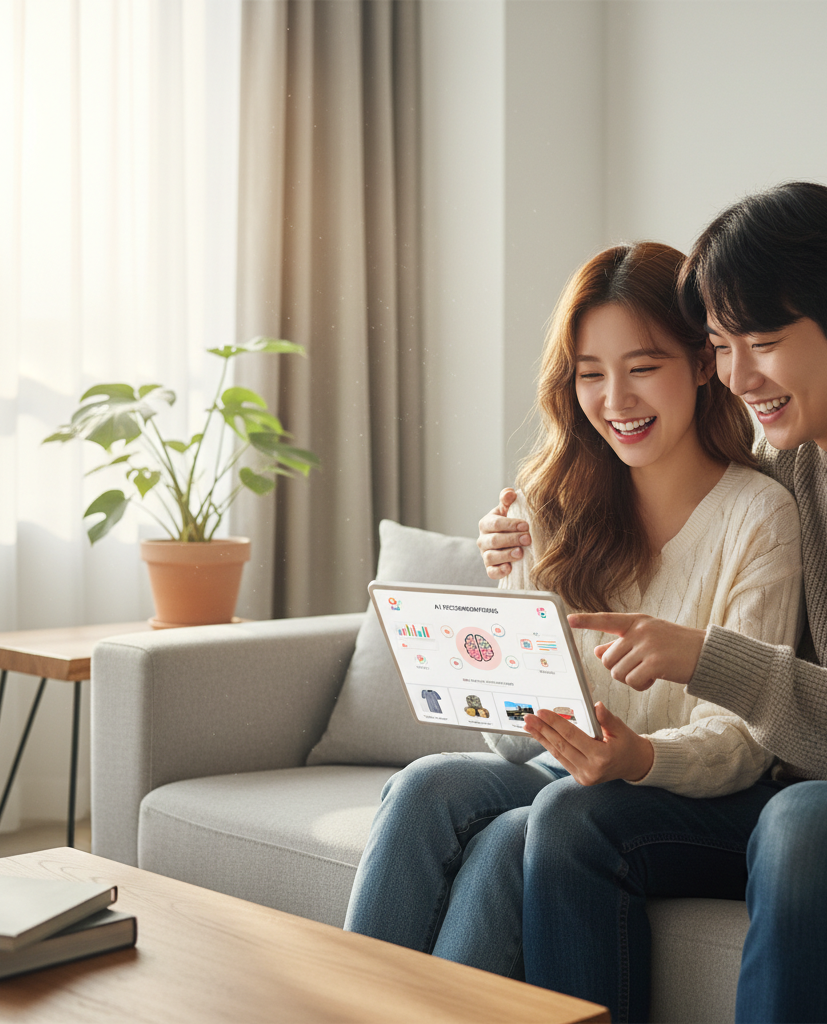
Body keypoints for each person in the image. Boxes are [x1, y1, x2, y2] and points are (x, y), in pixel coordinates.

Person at [478, 182, 827, 1023]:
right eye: (722, 347)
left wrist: (706, 657)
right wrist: (524, 534)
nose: (736, 377)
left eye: (760, 343)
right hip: (804, 793)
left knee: (807, 822)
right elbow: (677, 542)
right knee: (574, 819)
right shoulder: (783, 468)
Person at [344, 241, 803, 1012]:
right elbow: (517, 743)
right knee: (426, 784)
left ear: (700, 363)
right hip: (564, 774)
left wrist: (638, 755)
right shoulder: (551, 501)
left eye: (642, 366)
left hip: (684, 794)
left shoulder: (759, 517)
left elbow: (745, 739)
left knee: (504, 845)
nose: (615, 398)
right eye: (591, 373)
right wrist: (487, 664)